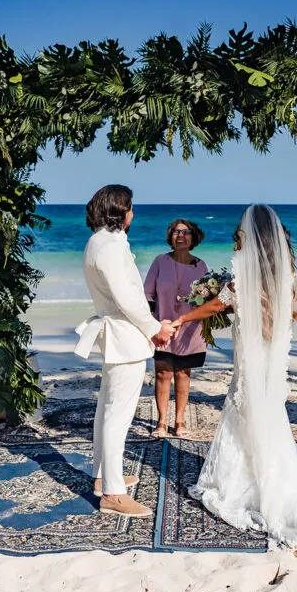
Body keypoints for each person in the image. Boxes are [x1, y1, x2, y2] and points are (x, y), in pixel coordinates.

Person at [171, 204, 297, 588]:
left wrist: (183, 318)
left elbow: (220, 304)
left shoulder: (243, 272)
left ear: (249, 235)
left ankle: (246, 487)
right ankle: (273, 483)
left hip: (251, 359)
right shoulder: (287, 270)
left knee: (243, 411)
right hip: (274, 364)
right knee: (268, 415)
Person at [74, 185, 177, 518]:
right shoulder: (110, 247)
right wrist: (155, 328)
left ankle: (103, 476)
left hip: (116, 335)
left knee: (107, 408)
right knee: (117, 415)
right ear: (119, 211)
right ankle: (114, 494)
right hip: (125, 338)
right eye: (131, 208)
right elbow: (127, 299)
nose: (134, 214)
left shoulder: (97, 243)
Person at [143, 219, 209, 438]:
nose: (180, 235)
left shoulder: (201, 266)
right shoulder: (160, 261)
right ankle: (161, 422)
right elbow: (147, 295)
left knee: (183, 373)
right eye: (175, 232)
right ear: (170, 237)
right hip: (162, 326)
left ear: (193, 237)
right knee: (162, 373)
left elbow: (207, 300)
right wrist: (153, 324)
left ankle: (179, 421)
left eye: (186, 232)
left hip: (190, 329)